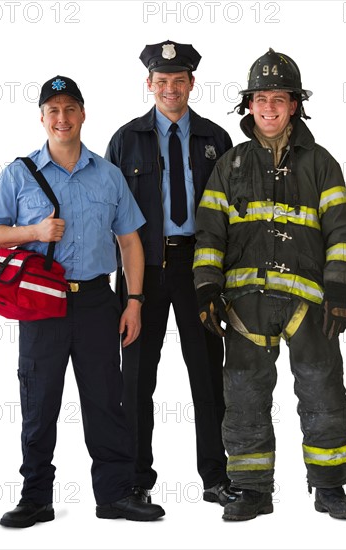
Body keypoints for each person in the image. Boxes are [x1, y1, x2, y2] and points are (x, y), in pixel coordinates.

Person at [0, 75, 165, 526]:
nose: (62, 118)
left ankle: (116, 495)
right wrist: (33, 232)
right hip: (41, 302)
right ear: (42, 118)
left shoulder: (108, 174)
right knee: (39, 400)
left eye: (70, 109)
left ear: (83, 114)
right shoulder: (19, 173)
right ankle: (35, 497)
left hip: (98, 301)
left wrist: (134, 301)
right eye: (53, 110)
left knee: (106, 399)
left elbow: (131, 243)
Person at [193, 48, 346, 521]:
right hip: (245, 306)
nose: (269, 107)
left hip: (311, 305)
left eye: (280, 99)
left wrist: (339, 291)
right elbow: (209, 234)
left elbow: (342, 232)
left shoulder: (321, 164)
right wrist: (207, 289)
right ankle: (250, 489)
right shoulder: (229, 165)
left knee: (323, 391)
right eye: (261, 98)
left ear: (295, 105)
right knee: (244, 395)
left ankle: (330, 486)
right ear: (248, 105)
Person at [105, 40, 235, 506]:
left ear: (191, 84)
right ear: (149, 84)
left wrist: (225, 279)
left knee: (207, 376)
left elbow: (233, 216)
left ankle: (216, 478)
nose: (171, 89)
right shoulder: (125, 140)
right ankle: (136, 479)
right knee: (136, 378)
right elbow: (110, 214)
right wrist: (112, 286)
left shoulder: (216, 140)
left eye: (179, 81)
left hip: (199, 268)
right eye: (162, 82)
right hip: (143, 270)